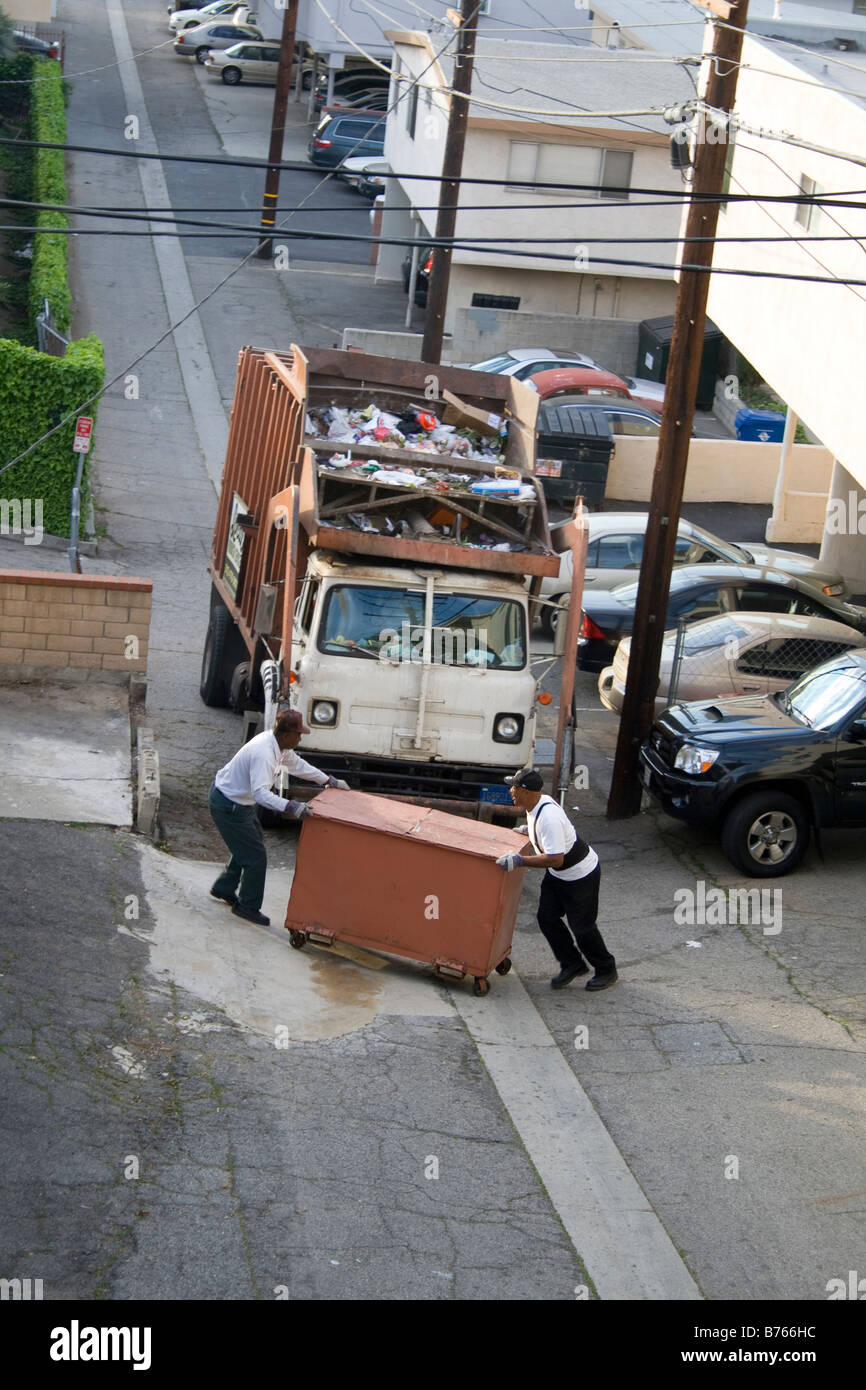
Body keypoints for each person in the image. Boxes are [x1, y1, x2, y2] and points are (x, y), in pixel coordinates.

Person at [208, 709, 349, 926]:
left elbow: (299, 766)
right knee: (256, 857)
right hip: (229, 805)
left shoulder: (278, 746)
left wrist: (328, 780)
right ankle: (247, 906)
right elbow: (261, 793)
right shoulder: (264, 753)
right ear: (285, 736)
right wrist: (292, 806)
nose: (300, 738)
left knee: (250, 844)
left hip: (236, 803)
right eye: (298, 734)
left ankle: (224, 887)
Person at [496, 767, 618, 991]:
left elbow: (555, 859)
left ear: (527, 791)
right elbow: (548, 837)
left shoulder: (548, 818)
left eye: (514, 788)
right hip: (558, 876)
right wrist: (529, 831)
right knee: (547, 918)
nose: (511, 791)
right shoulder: (534, 804)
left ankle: (607, 969)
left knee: (582, 928)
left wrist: (521, 860)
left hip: (581, 875)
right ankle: (572, 964)